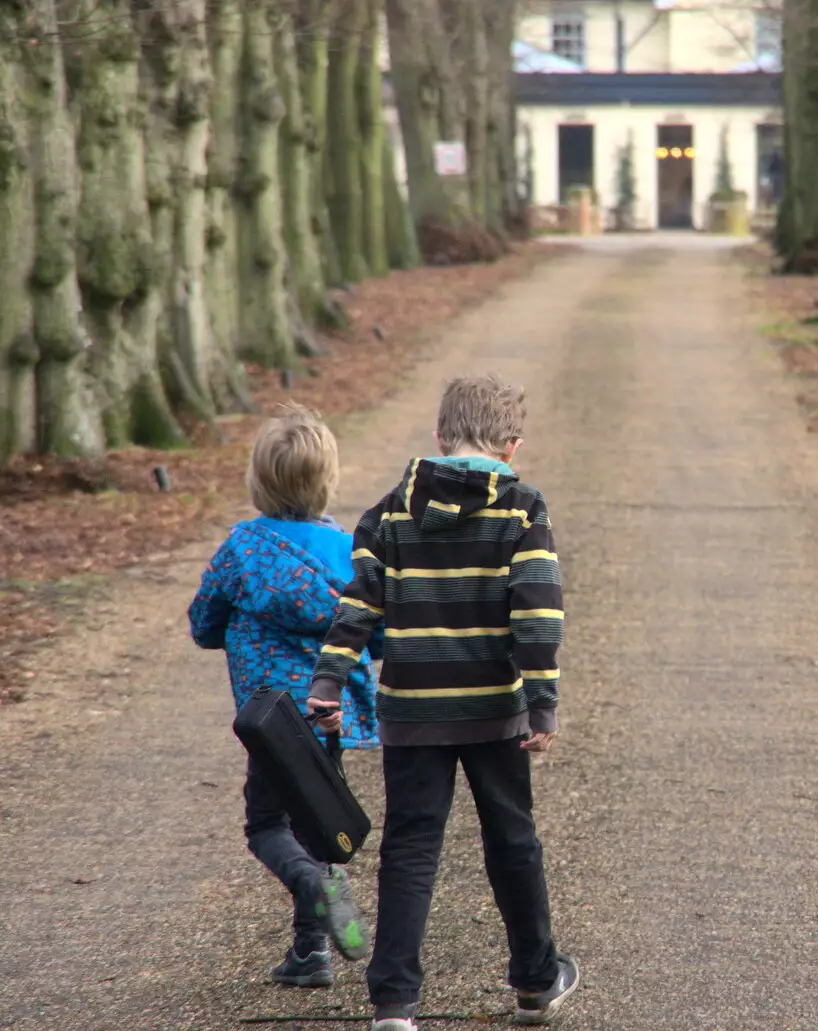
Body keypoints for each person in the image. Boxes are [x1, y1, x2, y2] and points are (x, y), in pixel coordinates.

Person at [307, 373, 579, 1031]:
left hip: (413, 710)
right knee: (511, 838)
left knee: (410, 844)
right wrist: (541, 703)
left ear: (439, 435)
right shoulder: (522, 507)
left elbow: (357, 604)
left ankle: (394, 1000)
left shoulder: (390, 510)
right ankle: (536, 982)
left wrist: (328, 682)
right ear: (511, 447)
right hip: (494, 709)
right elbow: (537, 612)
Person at [188, 404, 376, 988]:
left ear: (259, 480)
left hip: (272, 720)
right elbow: (381, 630)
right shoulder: (347, 553)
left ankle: (312, 890)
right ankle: (310, 951)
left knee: (267, 826)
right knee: (316, 824)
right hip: (328, 715)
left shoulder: (243, 550)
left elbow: (202, 623)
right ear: (328, 481)